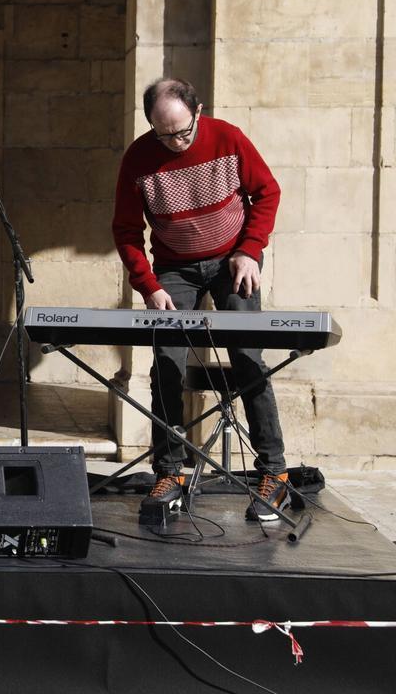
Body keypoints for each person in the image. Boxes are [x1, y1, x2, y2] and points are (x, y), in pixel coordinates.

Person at [112, 78, 290, 522]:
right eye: (163, 133)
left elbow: (267, 192)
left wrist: (250, 250)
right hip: (174, 267)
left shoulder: (228, 138)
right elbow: (127, 230)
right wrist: (148, 284)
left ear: (198, 112)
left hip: (233, 259)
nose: (175, 142)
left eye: (183, 131)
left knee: (248, 359)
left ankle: (274, 473)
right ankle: (169, 471)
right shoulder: (138, 159)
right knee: (166, 363)